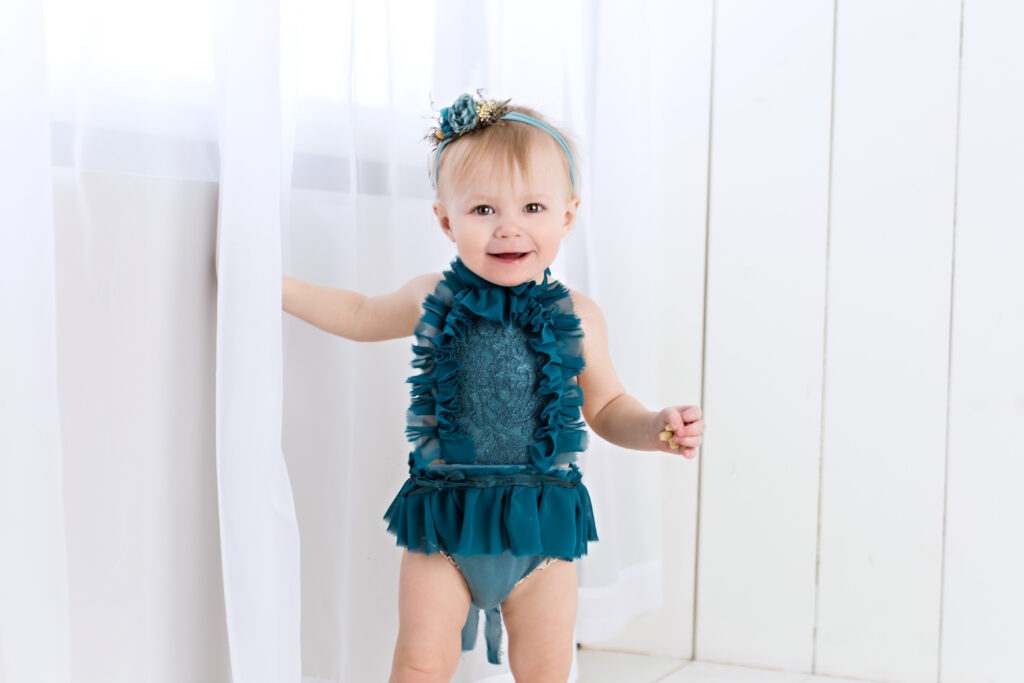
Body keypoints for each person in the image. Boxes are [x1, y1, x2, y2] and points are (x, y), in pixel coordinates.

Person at [282, 92, 705, 683]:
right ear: (446, 219)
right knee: (419, 662)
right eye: (483, 209)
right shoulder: (435, 296)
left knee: (545, 669)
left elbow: (607, 406)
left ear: (567, 214)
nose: (509, 226)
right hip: (447, 519)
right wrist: (274, 286)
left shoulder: (578, 314)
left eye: (533, 206)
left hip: (542, 525)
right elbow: (358, 314)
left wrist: (656, 426)